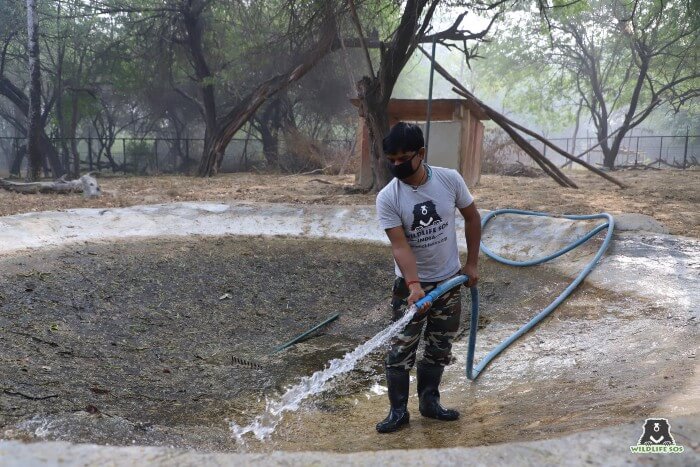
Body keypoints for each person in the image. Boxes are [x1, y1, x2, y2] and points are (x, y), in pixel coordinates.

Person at [375, 122, 481, 433]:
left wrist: (471, 264)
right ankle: (398, 411)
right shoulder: (388, 197)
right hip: (411, 288)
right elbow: (400, 245)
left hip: (449, 282)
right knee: (401, 348)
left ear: (421, 153)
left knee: (439, 345)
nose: (397, 165)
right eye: (391, 159)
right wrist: (414, 286)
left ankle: (430, 402)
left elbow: (472, 217)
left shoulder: (449, 180)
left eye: (403, 158)